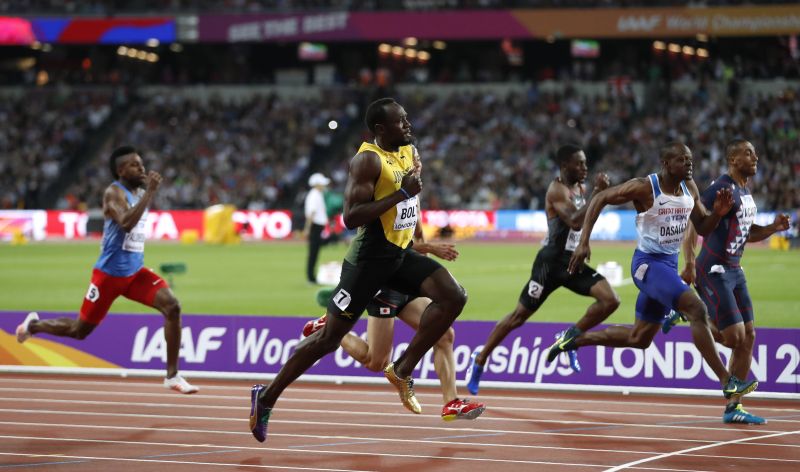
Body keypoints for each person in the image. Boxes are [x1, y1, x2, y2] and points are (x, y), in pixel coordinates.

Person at [249, 98, 467, 443]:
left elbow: (412, 202)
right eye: (401, 121)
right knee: (327, 341)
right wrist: (400, 194)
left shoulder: (409, 151)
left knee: (453, 296)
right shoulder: (367, 160)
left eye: (407, 119)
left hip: (399, 255)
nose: (408, 125)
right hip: (368, 262)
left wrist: (419, 235)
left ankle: (402, 369)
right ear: (381, 129)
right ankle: (267, 397)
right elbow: (351, 218)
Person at [554, 142, 757, 401]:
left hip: (668, 266)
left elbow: (704, 228)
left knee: (639, 338)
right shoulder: (645, 187)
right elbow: (601, 198)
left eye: (690, 159)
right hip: (647, 265)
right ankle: (727, 380)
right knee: (696, 308)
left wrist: (717, 214)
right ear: (666, 165)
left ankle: (574, 340)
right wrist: (583, 242)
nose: (689, 164)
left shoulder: (690, 188)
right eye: (682, 160)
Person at [15, 146, 198, 394]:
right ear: (121, 170)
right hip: (108, 277)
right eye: (135, 165)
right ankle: (33, 326)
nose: (142, 168)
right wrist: (151, 193)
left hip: (134, 274)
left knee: (172, 306)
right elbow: (125, 223)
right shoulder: (113, 193)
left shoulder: (140, 190)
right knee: (79, 331)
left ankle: (172, 376)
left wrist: (147, 192)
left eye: (142, 163)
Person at [465, 144, 620, 394]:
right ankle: (480, 358)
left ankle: (569, 336)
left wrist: (597, 201)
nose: (584, 167)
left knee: (610, 300)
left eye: (585, 163)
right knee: (518, 317)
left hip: (571, 262)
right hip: (549, 264)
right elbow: (574, 220)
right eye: (579, 163)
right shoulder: (556, 189)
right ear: (565, 165)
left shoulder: (580, 188)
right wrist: (598, 194)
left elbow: (586, 218)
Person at [304, 236, 485, 421]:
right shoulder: (385, 207)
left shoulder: (414, 208)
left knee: (444, 335)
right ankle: (331, 326)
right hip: (385, 286)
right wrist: (430, 247)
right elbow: (389, 246)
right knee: (375, 362)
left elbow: (412, 241)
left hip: (410, 282)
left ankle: (451, 402)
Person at [680, 139, 790, 424]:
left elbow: (746, 232)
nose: (755, 157)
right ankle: (692, 315)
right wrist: (690, 262)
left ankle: (734, 407)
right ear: (732, 159)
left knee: (748, 336)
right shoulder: (721, 188)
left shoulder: (743, 190)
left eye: (755, 152)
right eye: (748, 153)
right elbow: (695, 222)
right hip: (713, 268)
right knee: (734, 337)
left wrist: (773, 228)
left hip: (734, 269)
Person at [304, 172, 333, 284]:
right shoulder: (314, 195)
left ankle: (312, 277)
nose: (324, 186)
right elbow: (312, 213)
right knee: (313, 252)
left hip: (317, 226)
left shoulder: (317, 194)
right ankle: (311, 277)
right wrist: (307, 228)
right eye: (322, 184)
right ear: (316, 184)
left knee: (315, 252)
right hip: (315, 226)